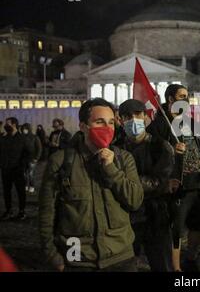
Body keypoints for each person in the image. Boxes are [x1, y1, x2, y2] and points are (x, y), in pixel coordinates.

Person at [39, 98, 144, 272]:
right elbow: (46, 213)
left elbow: (135, 201)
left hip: (120, 258)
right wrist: (53, 256)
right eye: (99, 122)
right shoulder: (60, 161)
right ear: (83, 126)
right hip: (78, 260)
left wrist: (110, 169)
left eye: (111, 122)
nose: (107, 127)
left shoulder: (124, 159)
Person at [148, 84, 200, 272]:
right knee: (176, 228)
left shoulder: (192, 124)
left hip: (198, 184)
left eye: (187, 96)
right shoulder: (158, 126)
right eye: (182, 96)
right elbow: (151, 154)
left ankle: (191, 258)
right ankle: (176, 268)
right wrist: (170, 152)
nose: (186, 99)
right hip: (176, 185)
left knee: (198, 225)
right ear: (171, 100)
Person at [118, 99, 175, 271]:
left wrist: (126, 185)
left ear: (145, 117)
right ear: (120, 120)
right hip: (126, 218)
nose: (133, 120)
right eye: (128, 117)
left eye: (137, 115)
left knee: (162, 264)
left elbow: (160, 181)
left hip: (155, 216)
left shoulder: (160, 146)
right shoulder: (116, 148)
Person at [0, 117, 32, 221]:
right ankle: (8, 210)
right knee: (6, 191)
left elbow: (29, 153)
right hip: (6, 169)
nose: (6, 125)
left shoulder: (22, 138)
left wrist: (22, 164)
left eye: (7, 123)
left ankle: (22, 211)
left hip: (17, 169)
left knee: (20, 191)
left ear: (14, 125)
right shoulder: (4, 138)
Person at [21, 123, 42, 195]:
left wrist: (36, 158)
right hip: (23, 159)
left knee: (30, 173)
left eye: (25, 128)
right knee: (24, 174)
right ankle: (25, 185)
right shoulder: (21, 137)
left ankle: (32, 186)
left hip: (32, 158)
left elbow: (39, 148)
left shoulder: (35, 137)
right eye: (23, 129)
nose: (24, 130)